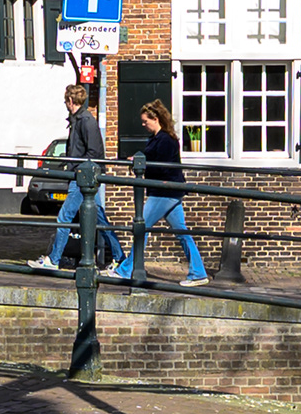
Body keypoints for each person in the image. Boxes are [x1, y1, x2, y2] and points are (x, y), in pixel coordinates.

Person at [125, 100, 208, 285]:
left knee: (141, 226)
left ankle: (125, 269)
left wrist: (142, 165)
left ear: (156, 119)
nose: (143, 124)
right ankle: (198, 273)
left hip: (164, 191)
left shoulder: (165, 140)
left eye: (145, 121)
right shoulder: (158, 138)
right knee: (181, 232)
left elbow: (162, 167)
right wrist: (139, 159)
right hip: (170, 191)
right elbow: (153, 159)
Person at [42, 84, 111, 273]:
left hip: (82, 178)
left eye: (66, 101)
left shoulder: (85, 121)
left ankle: (54, 259)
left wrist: (78, 169)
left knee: (64, 216)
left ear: (70, 101)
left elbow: (94, 151)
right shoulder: (79, 120)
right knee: (100, 218)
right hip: (83, 175)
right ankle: (120, 258)